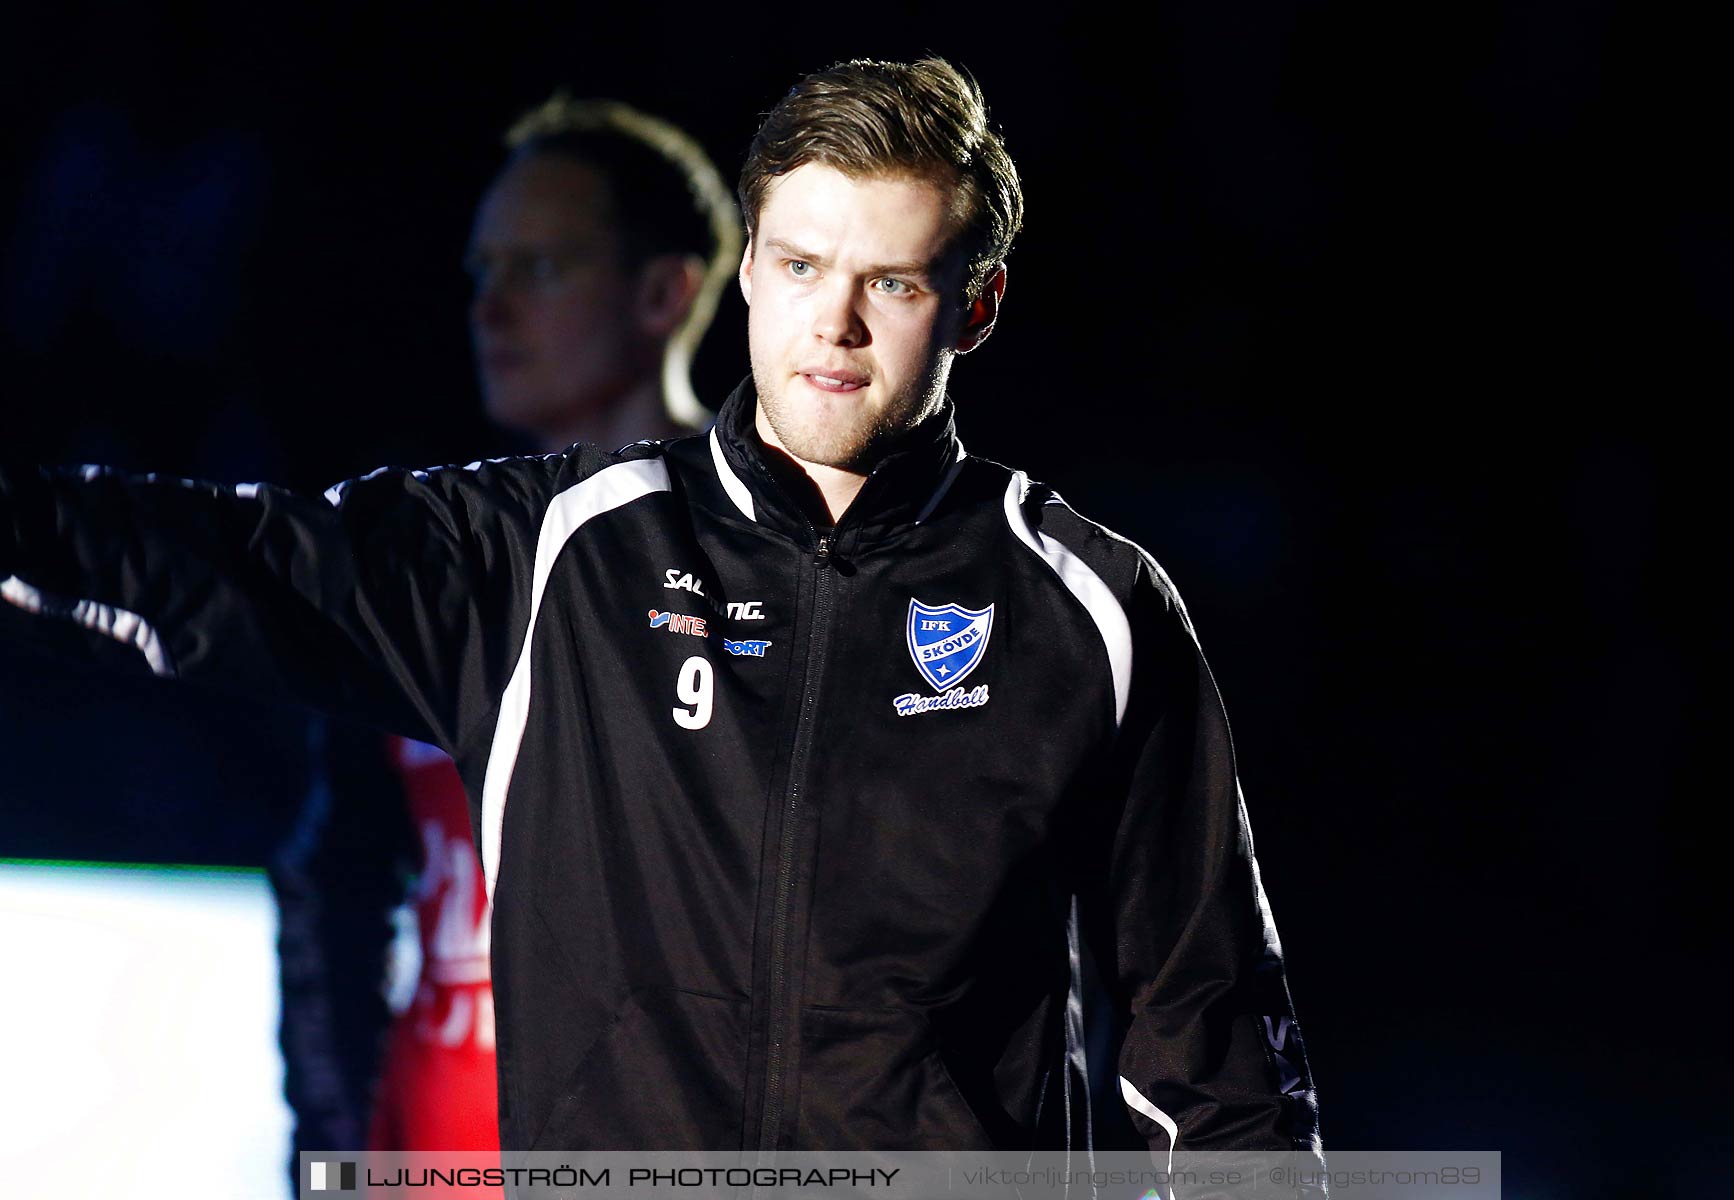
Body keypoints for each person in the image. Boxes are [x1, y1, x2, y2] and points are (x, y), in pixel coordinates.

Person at [1, 56, 1320, 1155]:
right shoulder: (553, 550)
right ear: (746, 272)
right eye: (802, 266)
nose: (837, 326)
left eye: (894, 283)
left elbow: (1218, 1061)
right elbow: (211, 557)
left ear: (974, 306)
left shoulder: (1089, 608)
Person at [272, 93, 743, 1172]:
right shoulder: (426, 557)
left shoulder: (789, 567)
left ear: (664, 290)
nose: (492, 308)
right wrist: (334, 1151)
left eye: (539, 269)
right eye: (483, 272)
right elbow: (333, 885)